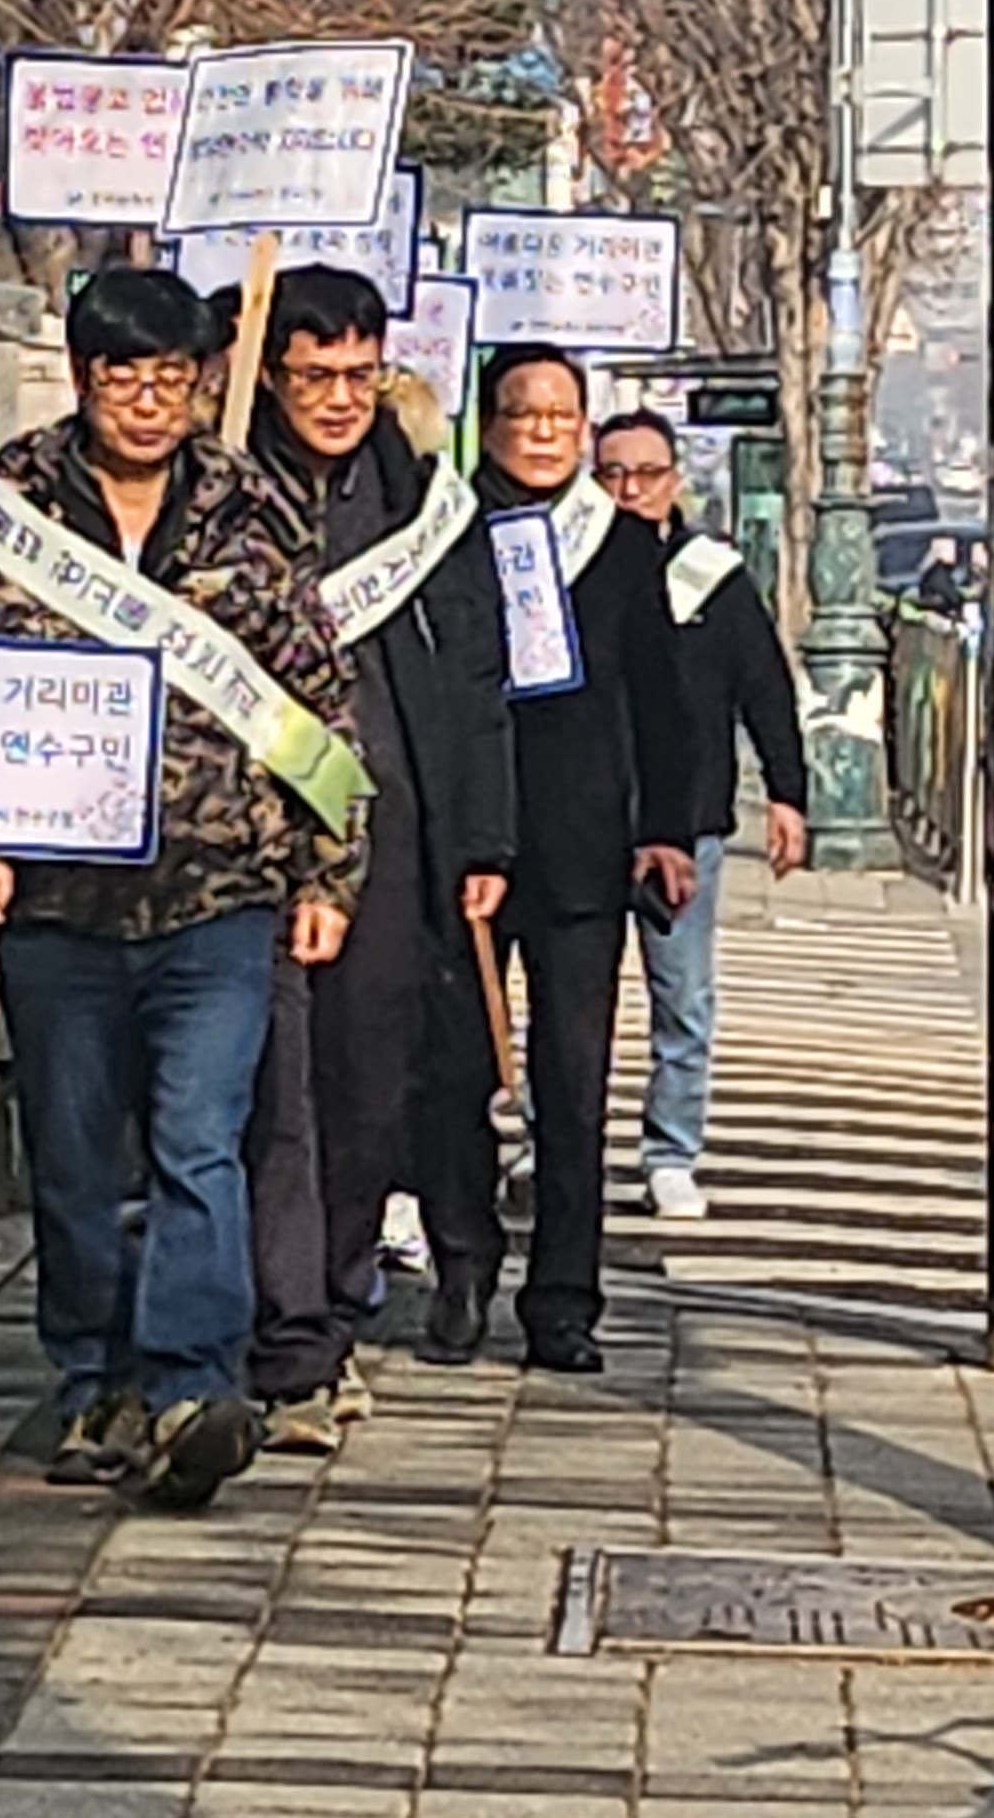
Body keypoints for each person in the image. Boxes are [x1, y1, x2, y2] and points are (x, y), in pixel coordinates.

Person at [0, 265, 362, 1507]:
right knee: (69, 1156)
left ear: (202, 382)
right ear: (88, 378)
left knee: (196, 1144)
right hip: (56, 903)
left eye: (173, 379)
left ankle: (189, 1386)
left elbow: (319, 704)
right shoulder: (10, 505)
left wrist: (330, 870)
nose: (149, 403)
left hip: (218, 892)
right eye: (126, 377)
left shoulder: (251, 509)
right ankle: (93, 1381)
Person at [242, 265, 520, 1448]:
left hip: (394, 841)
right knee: (259, 1090)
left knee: (364, 1084)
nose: (341, 396)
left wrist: (483, 835)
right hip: (247, 835)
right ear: (270, 371)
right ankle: (274, 1317)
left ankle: (333, 1298)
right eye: (316, 374)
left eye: (361, 373)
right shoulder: (228, 490)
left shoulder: (421, 504)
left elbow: (475, 676)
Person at [421, 346, 703, 1372]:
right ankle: (461, 1263)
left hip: (585, 853)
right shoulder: (441, 535)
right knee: (452, 1070)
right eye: (522, 412)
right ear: (487, 423)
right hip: (462, 846)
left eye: (561, 414)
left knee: (571, 1083)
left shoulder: (625, 547)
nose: (543, 429)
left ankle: (563, 1303)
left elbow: (664, 704)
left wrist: (666, 829)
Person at [592, 409, 808, 1220]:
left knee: (682, 993)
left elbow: (764, 685)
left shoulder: (710, 574)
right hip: (584, 816)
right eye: (612, 474)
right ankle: (550, 1138)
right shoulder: (567, 561)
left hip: (691, 820)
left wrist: (788, 793)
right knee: (567, 999)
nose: (631, 491)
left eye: (646, 475)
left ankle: (671, 1152)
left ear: (675, 481)